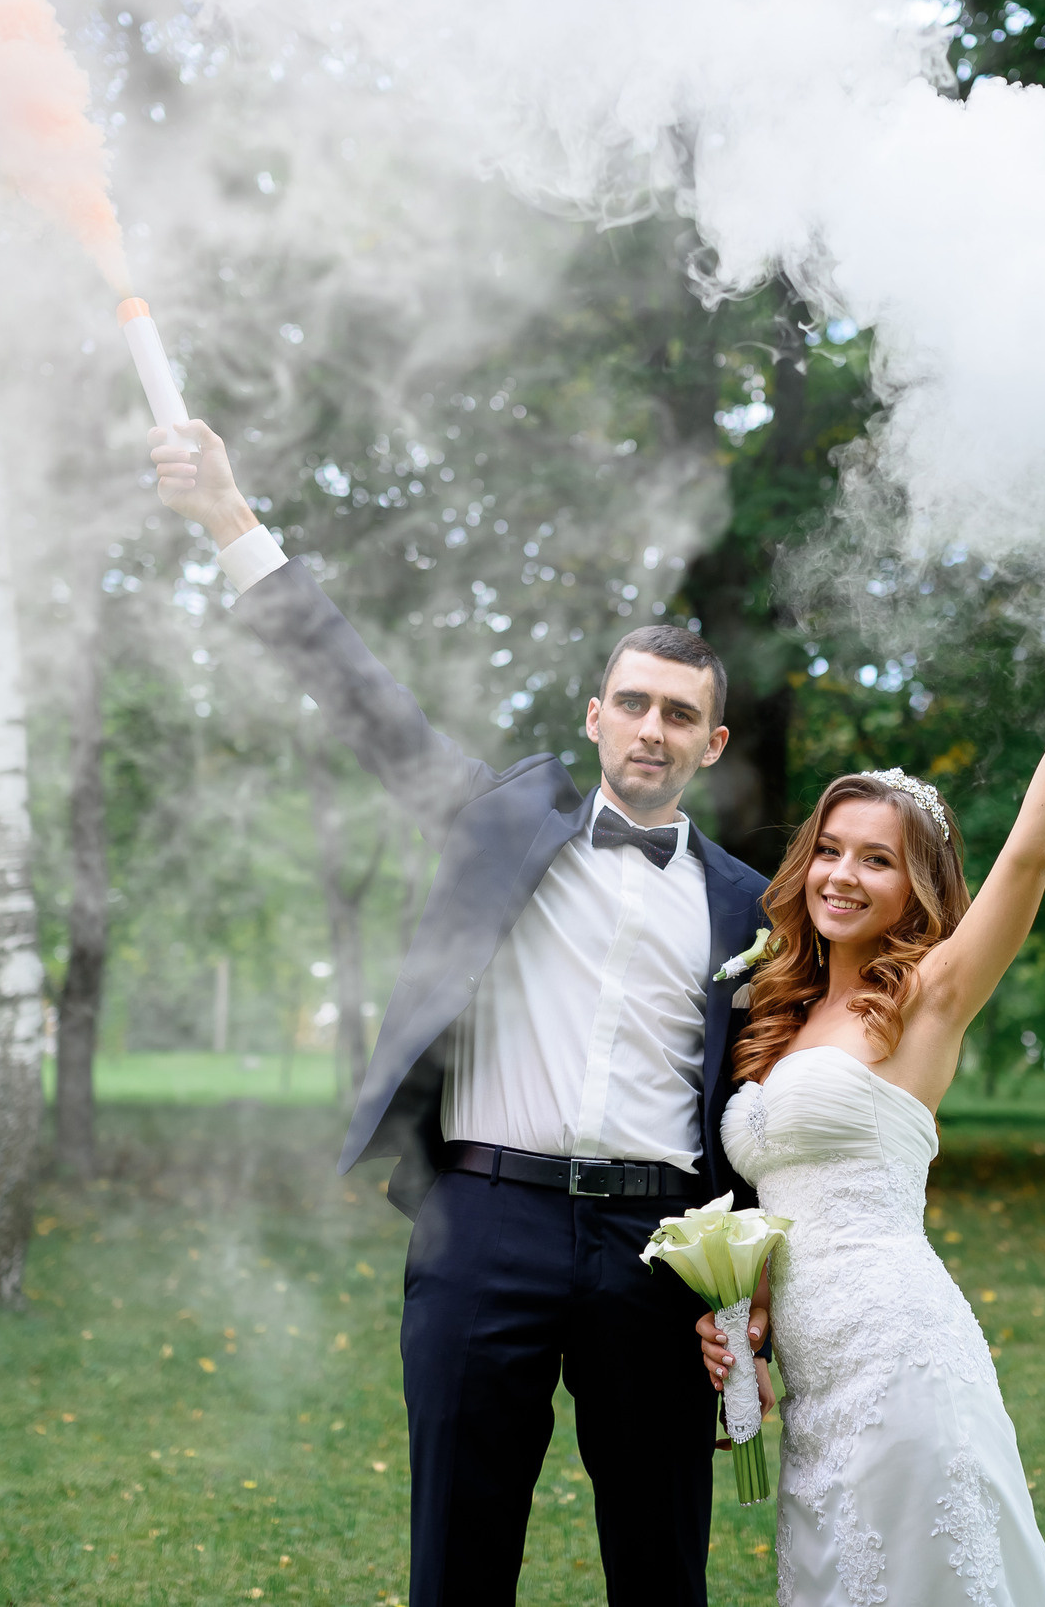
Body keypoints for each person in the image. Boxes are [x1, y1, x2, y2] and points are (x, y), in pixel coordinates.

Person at [149, 416, 772, 1607]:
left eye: (678, 713)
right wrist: (231, 518)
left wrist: (741, 1291)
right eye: (632, 702)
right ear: (594, 716)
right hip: (485, 1223)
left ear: (711, 739)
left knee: (661, 1560)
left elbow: (761, 1102)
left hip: (655, 1256)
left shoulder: (749, 901)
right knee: (459, 1549)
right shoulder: (498, 819)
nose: (652, 728)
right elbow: (360, 694)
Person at [697, 556, 1045, 1606]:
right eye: (831, 851)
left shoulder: (929, 995)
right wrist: (740, 1309)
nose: (845, 875)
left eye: (878, 859)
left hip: (900, 1355)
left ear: (915, 886)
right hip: (815, 1381)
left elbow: (1027, 860)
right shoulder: (777, 1011)